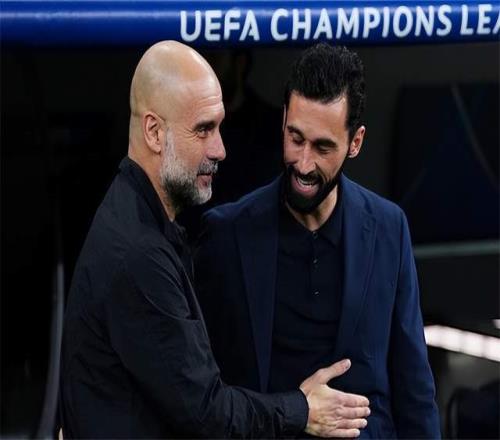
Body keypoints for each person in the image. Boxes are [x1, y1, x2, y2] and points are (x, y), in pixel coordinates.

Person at [59, 40, 371, 438]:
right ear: (154, 132)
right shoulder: (138, 254)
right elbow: (206, 413)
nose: (220, 149)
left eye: (219, 127)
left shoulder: (142, 222)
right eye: (203, 130)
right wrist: (302, 409)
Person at [195, 43, 441, 439]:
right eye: (295, 138)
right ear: (283, 121)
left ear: (355, 142)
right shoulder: (226, 233)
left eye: (323, 146)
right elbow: (207, 392)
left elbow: (414, 389)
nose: (304, 163)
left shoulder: (388, 229)